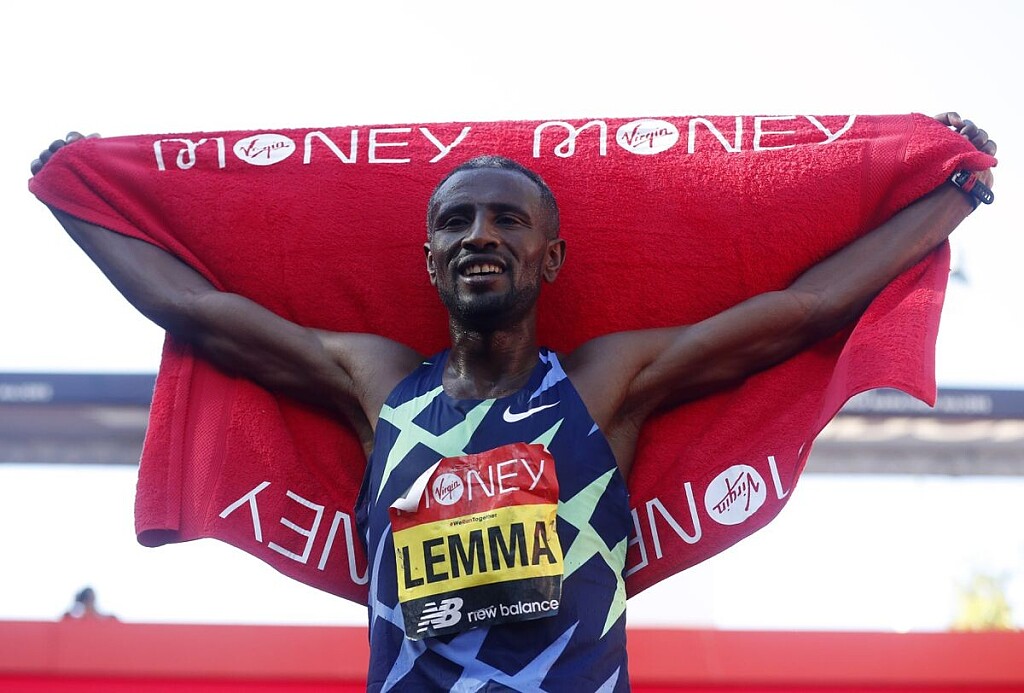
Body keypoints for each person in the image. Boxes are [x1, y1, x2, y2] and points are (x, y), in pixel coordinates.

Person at [31, 113, 996, 691]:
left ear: (550, 255)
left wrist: (949, 193)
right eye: (455, 221)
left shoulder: (603, 384)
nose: (479, 235)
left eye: (507, 219)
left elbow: (801, 312)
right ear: (430, 258)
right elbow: (197, 311)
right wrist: (75, 195)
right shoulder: (377, 384)